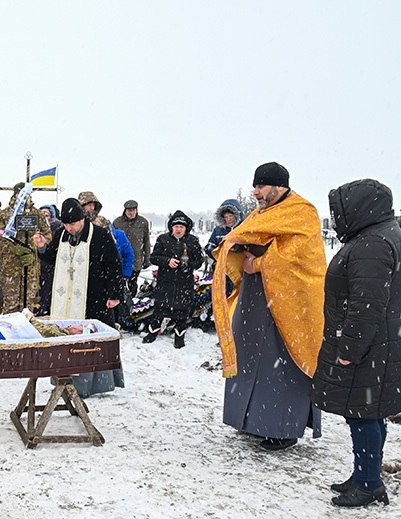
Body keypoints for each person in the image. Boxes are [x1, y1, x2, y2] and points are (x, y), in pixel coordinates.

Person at [312, 179, 401, 507]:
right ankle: (364, 474)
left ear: (359, 208)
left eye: (339, 211)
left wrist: (349, 351)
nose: (337, 218)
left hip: (371, 347)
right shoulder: (382, 235)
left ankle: (369, 482)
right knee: (369, 412)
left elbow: (365, 306)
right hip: (383, 343)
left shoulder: (372, 244)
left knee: (363, 414)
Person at [212, 162, 325, 451]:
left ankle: (283, 428)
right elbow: (246, 235)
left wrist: (258, 263)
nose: (256, 192)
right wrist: (236, 249)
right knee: (251, 359)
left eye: (261, 186)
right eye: (255, 186)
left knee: (281, 364)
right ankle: (250, 420)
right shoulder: (262, 212)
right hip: (256, 298)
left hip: (288, 304)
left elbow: (299, 260)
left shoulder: (303, 212)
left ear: (279, 185)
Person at [36, 198, 125, 397]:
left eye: (73, 224)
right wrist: (42, 247)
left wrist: (115, 294)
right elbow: (50, 258)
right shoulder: (60, 234)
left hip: (93, 295)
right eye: (66, 224)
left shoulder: (100, 235)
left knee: (90, 340)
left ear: (82, 219)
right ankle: (63, 379)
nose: (69, 228)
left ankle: (92, 385)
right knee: (66, 335)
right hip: (64, 298)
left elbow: (113, 265)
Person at [142, 211, 203, 348]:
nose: (179, 229)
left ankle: (179, 336)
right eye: (176, 226)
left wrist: (189, 266)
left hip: (184, 282)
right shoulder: (163, 239)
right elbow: (153, 257)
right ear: (171, 227)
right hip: (165, 281)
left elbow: (199, 260)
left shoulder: (192, 241)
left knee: (182, 311)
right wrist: (167, 261)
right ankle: (152, 333)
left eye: (181, 226)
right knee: (160, 309)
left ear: (186, 228)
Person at [0, 183, 51, 314]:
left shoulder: (38, 214)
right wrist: (13, 249)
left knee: (28, 307)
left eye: (25, 193)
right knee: (11, 306)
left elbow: (47, 236)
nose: (23, 196)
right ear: (15, 194)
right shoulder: (5, 214)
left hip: (31, 268)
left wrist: (37, 244)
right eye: (20, 193)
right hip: (10, 268)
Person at [112, 199, 151, 298]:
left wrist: (147, 260)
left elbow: (146, 241)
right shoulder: (117, 222)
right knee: (119, 285)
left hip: (136, 260)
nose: (131, 213)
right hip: (120, 259)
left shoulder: (143, 222)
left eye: (133, 210)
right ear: (125, 211)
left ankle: (131, 303)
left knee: (132, 285)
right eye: (129, 210)